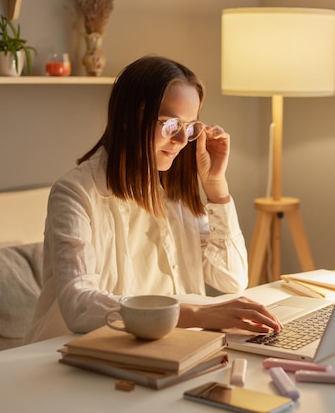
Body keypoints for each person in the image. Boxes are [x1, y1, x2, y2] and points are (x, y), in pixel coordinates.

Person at [25, 56, 281, 343]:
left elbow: (231, 279)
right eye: (171, 124)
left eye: (190, 126)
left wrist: (216, 187)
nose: (183, 140)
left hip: (167, 346)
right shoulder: (75, 193)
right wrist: (196, 314)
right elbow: (79, 303)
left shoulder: (176, 195)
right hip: (78, 350)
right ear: (127, 120)